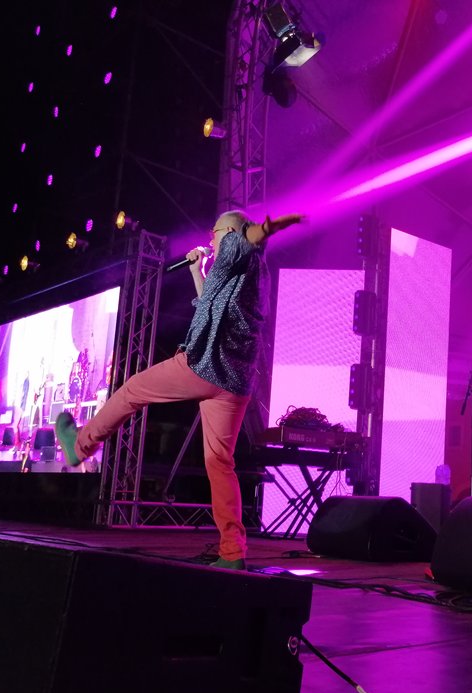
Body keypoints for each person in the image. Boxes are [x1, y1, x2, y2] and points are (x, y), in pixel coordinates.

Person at [55, 209, 304, 569]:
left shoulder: (235, 248)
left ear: (228, 231)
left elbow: (245, 240)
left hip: (205, 366)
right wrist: (196, 271)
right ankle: (232, 553)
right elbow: (209, 307)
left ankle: (80, 445)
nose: (210, 239)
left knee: (132, 390)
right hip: (234, 383)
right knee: (220, 463)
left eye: (214, 232)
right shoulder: (247, 271)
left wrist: (266, 227)